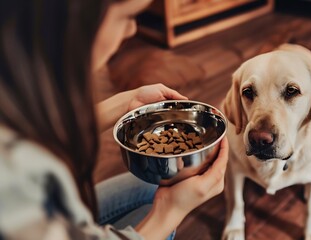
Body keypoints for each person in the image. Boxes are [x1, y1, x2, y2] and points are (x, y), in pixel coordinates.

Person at [0, 0, 229, 239]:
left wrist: (126, 103)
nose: (131, 30)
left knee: (156, 187)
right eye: (127, 16)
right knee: (164, 208)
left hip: (62, 207)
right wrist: (170, 212)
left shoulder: (16, 94)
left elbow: (39, 133)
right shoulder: (13, 179)